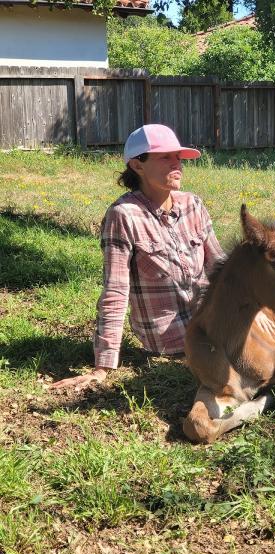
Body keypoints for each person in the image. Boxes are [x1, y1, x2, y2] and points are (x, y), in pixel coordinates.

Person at [51, 124, 224, 391]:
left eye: (178, 156)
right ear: (137, 166)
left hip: (213, 323)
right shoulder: (124, 215)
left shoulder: (193, 204)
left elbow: (220, 266)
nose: (176, 163)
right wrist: (102, 367)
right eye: (164, 157)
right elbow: (116, 290)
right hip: (172, 341)